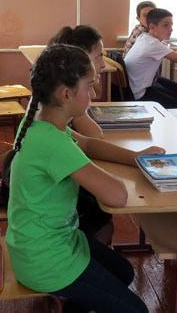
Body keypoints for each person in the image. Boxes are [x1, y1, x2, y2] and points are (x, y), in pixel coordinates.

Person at [4, 44, 163, 313]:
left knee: (123, 272)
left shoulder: (40, 124)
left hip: (43, 243)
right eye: (89, 87)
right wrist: (105, 175)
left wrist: (135, 157)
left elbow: (88, 145)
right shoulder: (52, 143)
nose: (94, 93)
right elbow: (118, 196)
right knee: (137, 310)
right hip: (45, 259)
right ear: (66, 94)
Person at [47, 25, 112, 244]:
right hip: (58, 205)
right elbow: (95, 136)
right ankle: (92, 251)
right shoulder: (62, 108)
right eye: (99, 56)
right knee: (100, 208)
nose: (103, 64)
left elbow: (89, 141)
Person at [124, 8, 177, 109]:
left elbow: (163, 47)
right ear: (152, 27)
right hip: (140, 95)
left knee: (172, 87)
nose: (171, 29)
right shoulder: (153, 45)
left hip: (133, 89)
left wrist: (174, 50)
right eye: (166, 25)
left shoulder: (143, 37)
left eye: (171, 25)